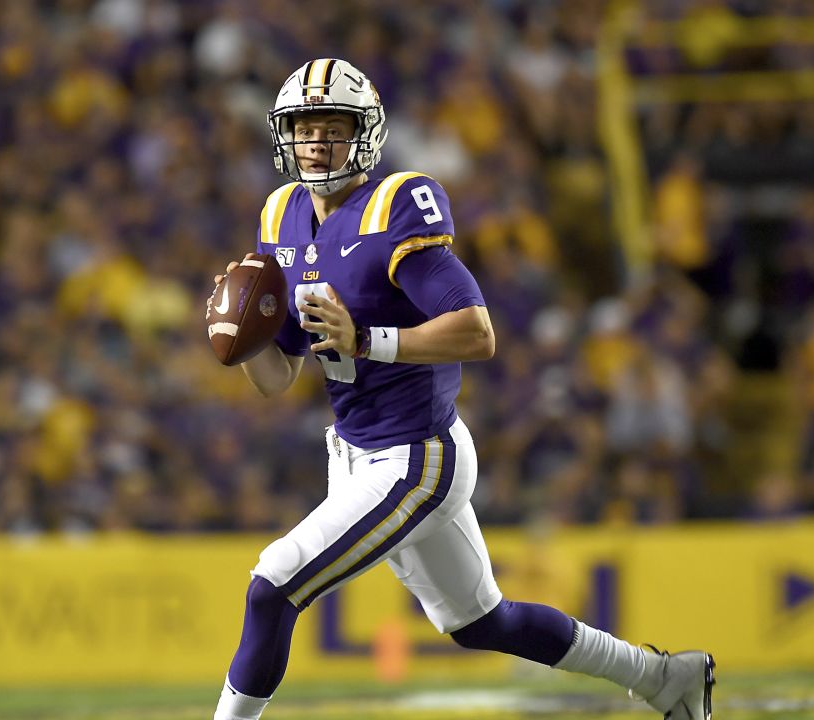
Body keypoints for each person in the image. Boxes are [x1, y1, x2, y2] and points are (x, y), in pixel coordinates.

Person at [209, 58, 715, 720]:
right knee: (482, 622)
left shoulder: (391, 210)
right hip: (355, 455)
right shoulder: (279, 217)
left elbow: (477, 333)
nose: (317, 143)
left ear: (365, 134)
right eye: (305, 128)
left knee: (272, 586)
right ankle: (661, 676)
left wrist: (367, 340)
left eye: (333, 127)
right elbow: (279, 380)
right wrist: (242, 338)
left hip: (415, 456)